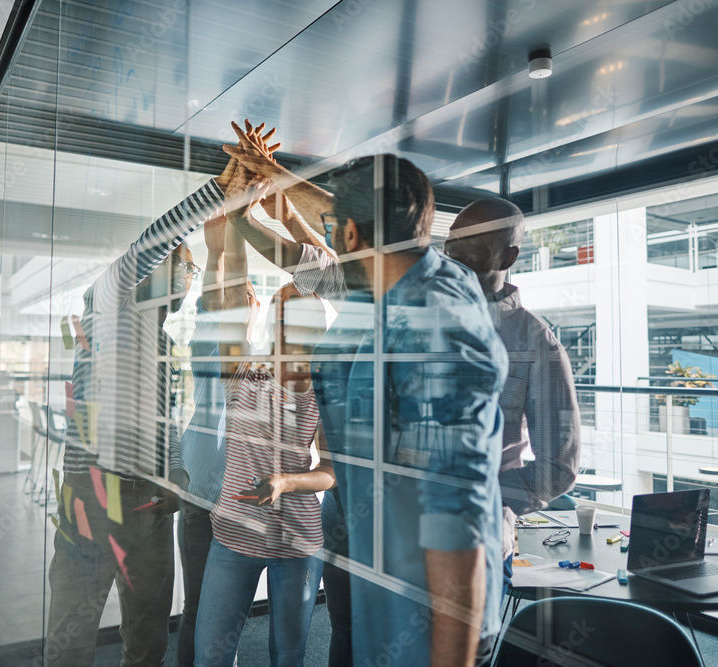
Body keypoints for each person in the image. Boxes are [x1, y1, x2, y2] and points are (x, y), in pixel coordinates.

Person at [227, 139, 507, 666]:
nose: (328, 240)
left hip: (432, 618)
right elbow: (307, 263)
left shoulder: (435, 322)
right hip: (384, 576)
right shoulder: (384, 289)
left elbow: (458, 517)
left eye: (335, 229)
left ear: (351, 233)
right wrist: (257, 200)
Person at [45, 153, 238, 667]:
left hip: (148, 501)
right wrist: (218, 191)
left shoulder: (159, 339)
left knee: (149, 635)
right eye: (187, 267)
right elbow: (150, 244)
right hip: (94, 490)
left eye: (194, 271)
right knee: (71, 633)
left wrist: (173, 471)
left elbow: (157, 420)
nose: (191, 280)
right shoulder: (107, 305)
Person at [192, 171, 336, 667]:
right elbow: (227, 291)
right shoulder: (244, 366)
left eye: (293, 305)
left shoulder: (325, 389)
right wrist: (234, 219)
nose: (282, 307)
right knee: (211, 654)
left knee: (288, 655)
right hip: (232, 533)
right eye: (281, 302)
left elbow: (331, 473)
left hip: (298, 538)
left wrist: (287, 482)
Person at [176, 121, 280, 667]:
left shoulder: (258, 351)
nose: (241, 290)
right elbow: (221, 256)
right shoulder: (217, 340)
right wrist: (241, 197)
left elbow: (224, 259)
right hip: (210, 498)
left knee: (219, 615)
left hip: (238, 497)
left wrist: (244, 191)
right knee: (205, 613)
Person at [444, 198, 581, 589]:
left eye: (472, 246)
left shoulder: (536, 343)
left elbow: (559, 465)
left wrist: (488, 502)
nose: (453, 257)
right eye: (452, 244)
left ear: (508, 256)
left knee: (466, 652)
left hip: (474, 540)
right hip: (394, 532)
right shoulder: (420, 315)